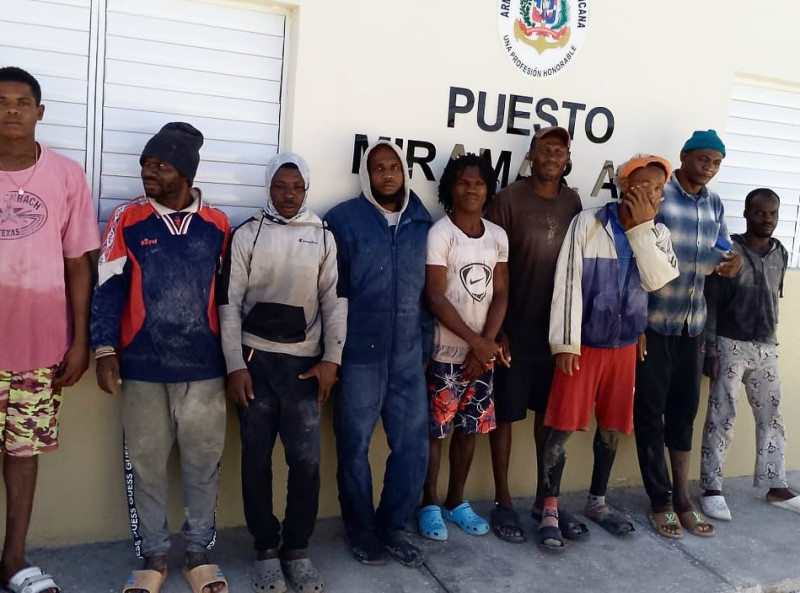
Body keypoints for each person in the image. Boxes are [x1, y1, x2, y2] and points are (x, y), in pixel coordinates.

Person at [90, 123, 230, 593]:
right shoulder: (125, 219)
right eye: (146, 164)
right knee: (146, 466)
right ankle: (152, 554)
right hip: (142, 367)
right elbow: (108, 288)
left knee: (203, 465)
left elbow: (229, 297)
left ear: (185, 173)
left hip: (205, 370)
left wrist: (233, 363)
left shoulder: (217, 224)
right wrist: (105, 349)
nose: (148, 171)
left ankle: (198, 554)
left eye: (160, 165)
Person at [218, 152, 347, 593]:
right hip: (255, 363)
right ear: (268, 187)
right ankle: (265, 550)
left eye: (296, 187)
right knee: (255, 460)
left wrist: (331, 360)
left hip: (305, 367)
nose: (288, 194)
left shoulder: (324, 236)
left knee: (306, 462)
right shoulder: (247, 234)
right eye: (280, 186)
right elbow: (228, 304)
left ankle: (297, 548)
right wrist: (235, 366)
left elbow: (335, 302)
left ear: (306, 190)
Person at [538, 155, 679, 551]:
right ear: (622, 184)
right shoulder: (589, 222)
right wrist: (565, 341)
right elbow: (566, 281)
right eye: (642, 185)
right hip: (584, 345)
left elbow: (657, 280)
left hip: (625, 347)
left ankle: (597, 501)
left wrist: (641, 230)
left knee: (612, 426)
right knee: (563, 426)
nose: (650, 193)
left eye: (657, 188)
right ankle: (548, 506)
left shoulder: (658, 234)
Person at [0, 66, 100, 593]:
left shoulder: (66, 176)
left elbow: (79, 262)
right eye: (1, 101)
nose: (11, 109)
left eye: (23, 101)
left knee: (22, 452)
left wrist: (80, 339)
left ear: (41, 112)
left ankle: (13, 560)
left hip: (40, 348)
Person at [324, 140, 432, 567]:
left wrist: (423, 346)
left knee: (412, 447)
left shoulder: (424, 223)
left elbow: (431, 295)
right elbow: (332, 290)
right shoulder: (343, 220)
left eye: (394, 167)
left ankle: (392, 527)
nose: (387, 174)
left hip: (408, 356)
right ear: (366, 176)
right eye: (378, 168)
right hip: (359, 355)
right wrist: (335, 352)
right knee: (353, 447)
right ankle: (361, 531)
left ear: (404, 172)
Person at [634, 129, 742, 539]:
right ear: (683, 157)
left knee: (683, 413)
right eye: (703, 159)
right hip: (653, 325)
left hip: (691, 325)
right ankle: (660, 501)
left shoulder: (714, 203)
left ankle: (683, 497)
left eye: (716, 162)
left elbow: (722, 251)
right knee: (649, 412)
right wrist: (634, 324)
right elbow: (637, 252)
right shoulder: (660, 195)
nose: (710, 167)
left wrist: (730, 264)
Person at [484, 126, 583, 543]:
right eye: (545, 149)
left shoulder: (573, 201)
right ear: (531, 154)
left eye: (560, 151)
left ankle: (547, 503)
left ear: (566, 159)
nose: (552, 156)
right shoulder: (508, 200)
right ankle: (503, 502)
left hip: (554, 337)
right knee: (505, 418)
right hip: (513, 333)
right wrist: (498, 329)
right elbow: (489, 265)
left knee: (549, 420)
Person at [418, 154, 510, 541]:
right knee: (436, 433)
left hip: (481, 356)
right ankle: (429, 505)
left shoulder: (497, 236)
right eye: (463, 182)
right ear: (450, 189)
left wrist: (484, 347)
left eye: (479, 183)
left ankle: (457, 502)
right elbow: (435, 297)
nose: (471, 188)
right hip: (445, 355)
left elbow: (502, 291)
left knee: (469, 429)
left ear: (488, 190)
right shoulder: (441, 234)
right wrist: (476, 344)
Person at [700, 188, 800, 519]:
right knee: (722, 417)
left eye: (772, 213)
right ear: (746, 213)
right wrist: (711, 349)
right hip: (730, 344)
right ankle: (712, 488)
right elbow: (711, 301)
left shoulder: (781, 252)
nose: (767, 219)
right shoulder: (729, 250)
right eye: (760, 213)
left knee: (772, 417)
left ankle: (776, 485)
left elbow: (774, 298)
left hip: (766, 347)